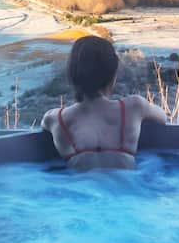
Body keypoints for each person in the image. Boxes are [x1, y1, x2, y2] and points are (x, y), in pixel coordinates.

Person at [40, 35, 168, 170]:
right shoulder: (135, 107)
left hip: (80, 188)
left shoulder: (56, 119)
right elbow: (163, 117)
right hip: (127, 187)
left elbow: (44, 126)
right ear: (113, 77)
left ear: (72, 76)